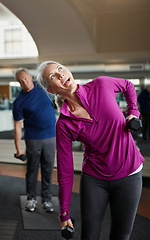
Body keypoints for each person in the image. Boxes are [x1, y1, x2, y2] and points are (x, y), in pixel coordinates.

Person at [36, 61, 145, 240]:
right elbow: (65, 170)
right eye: (53, 76)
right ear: (51, 90)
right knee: (89, 236)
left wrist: (133, 111)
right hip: (95, 180)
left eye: (60, 68)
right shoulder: (63, 124)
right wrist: (64, 211)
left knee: (121, 236)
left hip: (130, 174)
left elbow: (128, 85)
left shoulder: (101, 85)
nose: (61, 74)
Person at [12, 68, 56, 212]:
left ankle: (46, 200)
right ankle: (31, 199)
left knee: (48, 169)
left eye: (25, 78)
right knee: (32, 170)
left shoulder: (42, 86)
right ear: (18, 83)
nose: (24, 82)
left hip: (50, 136)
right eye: (20, 81)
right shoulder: (19, 102)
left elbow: (53, 77)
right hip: (33, 139)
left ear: (31, 76)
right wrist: (18, 149)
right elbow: (17, 126)